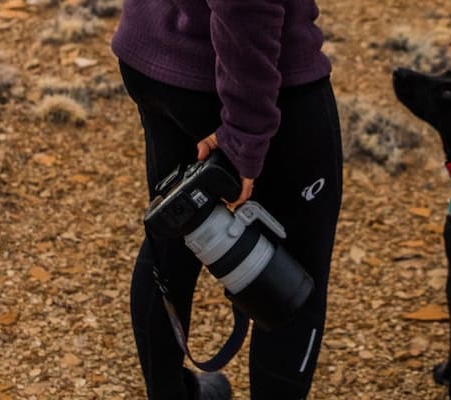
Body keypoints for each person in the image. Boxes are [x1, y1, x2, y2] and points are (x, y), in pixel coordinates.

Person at [111, 0, 343, 399]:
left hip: (158, 48)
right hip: (246, 73)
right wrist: (246, 128)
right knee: (293, 284)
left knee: (175, 233)